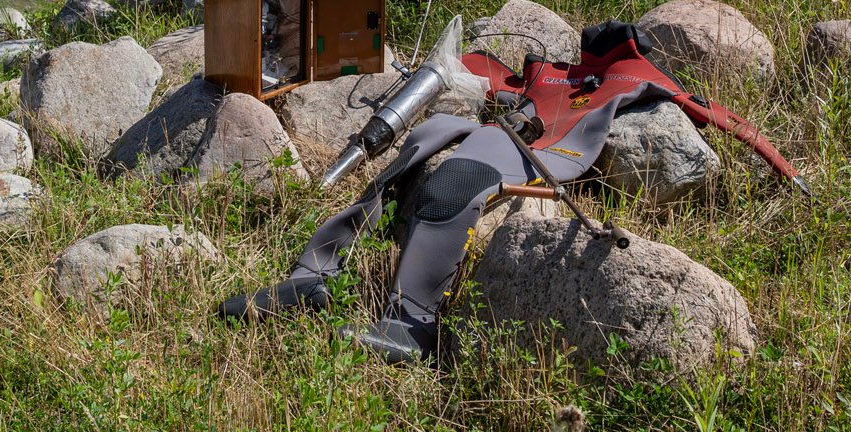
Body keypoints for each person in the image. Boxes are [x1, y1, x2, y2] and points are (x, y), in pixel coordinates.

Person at [219, 19, 806, 364]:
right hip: (505, 123)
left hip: (551, 147)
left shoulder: (643, 78)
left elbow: (718, 115)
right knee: (415, 148)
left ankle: (413, 319)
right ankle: (314, 274)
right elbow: (484, 68)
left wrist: (783, 168)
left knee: (458, 179)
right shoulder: (553, 70)